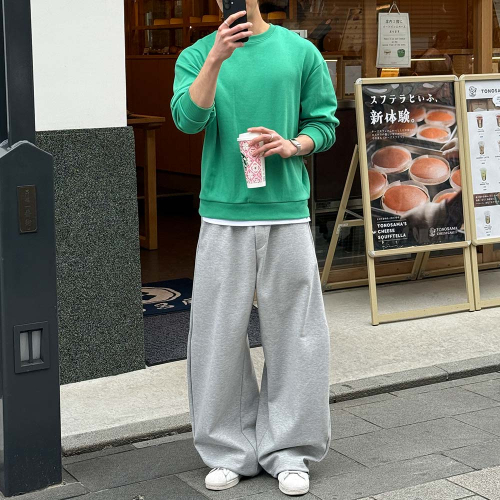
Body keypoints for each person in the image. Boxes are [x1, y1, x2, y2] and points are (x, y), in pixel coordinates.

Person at [170, 0, 339, 495]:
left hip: (286, 211)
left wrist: (293, 145)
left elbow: (325, 124)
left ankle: (291, 450)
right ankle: (228, 450)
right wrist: (216, 58)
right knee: (216, 336)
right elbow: (187, 120)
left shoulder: (299, 52)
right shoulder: (197, 54)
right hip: (222, 213)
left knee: (297, 335)